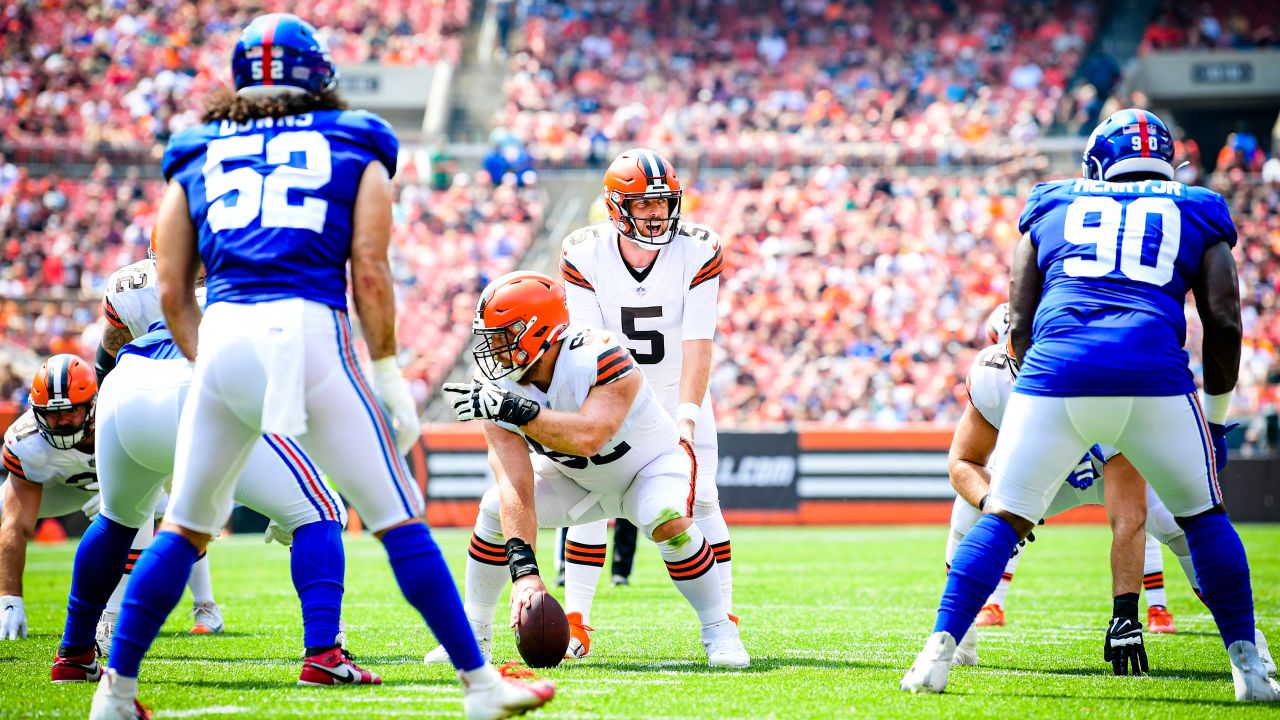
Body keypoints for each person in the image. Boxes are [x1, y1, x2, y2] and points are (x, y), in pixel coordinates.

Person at [88, 14, 553, 720]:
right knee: (398, 518)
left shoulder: (193, 149)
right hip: (306, 329)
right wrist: (392, 373)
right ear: (319, 77)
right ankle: (481, 687)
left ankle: (114, 695)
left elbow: (173, 286)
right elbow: (368, 269)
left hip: (226, 334)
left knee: (183, 527)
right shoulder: (356, 136)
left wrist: (203, 360)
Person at [901, 108, 1279, 702]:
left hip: (1056, 374)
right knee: (1204, 518)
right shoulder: (1197, 206)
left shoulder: (1053, 201)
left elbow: (1021, 318)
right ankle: (1250, 672)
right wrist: (1215, 415)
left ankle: (936, 656)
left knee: (1000, 517)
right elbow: (1224, 319)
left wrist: (1038, 384)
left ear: (1098, 163)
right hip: (1152, 376)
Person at [54, 250, 373, 687]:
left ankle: (73, 654)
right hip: (202, 385)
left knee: (116, 521)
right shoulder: (257, 267)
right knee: (319, 512)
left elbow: (109, 351)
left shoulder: (130, 284)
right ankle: (323, 654)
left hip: (127, 390)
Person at [425, 271, 748, 668]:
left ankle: (719, 629)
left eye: (503, 337)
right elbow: (513, 480)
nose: (494, 351)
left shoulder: (600, 354)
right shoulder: (496, 386)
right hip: (578, 480)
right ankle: (472, 636)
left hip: (649, 469)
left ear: (537, 331)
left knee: (663, 516)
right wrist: (524, 571)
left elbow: (590, 437)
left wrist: (519, 411)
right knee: (493, 506)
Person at [947, 305, 1274, 675]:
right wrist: (993, 506)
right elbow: (963, 462)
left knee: (1185, 530)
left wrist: (1124, 613)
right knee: (970, 509)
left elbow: (1129, 517)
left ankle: (1246, 640)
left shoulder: (1103, 370)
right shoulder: (992, 376)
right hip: (1045, 473)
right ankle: (958, 639)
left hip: (1114, 465)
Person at [553, 147, 732, 658]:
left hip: (677, 386)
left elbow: (700, 340)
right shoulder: (583, 251)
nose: (657, 215)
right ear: (615, 207)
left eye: (663, 203)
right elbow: (586, 346)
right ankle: (577, 624)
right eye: (644, 205)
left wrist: (688, 414)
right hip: (612, 392)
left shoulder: (698, 248)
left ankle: (725, 623)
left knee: (703, 502)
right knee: (587, 503)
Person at [1, 355, 215, 648]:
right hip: (64, 488)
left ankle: (203, 606)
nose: (62, 420)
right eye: (53, 413)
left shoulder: (119, 416)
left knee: (172, 513)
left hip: (128, 479)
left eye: (71, 411)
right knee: (3, 512)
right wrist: (10, 597)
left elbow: (153, 467)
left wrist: (114, 490)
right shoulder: (27, 442)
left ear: (92, 404)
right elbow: (16, 524)